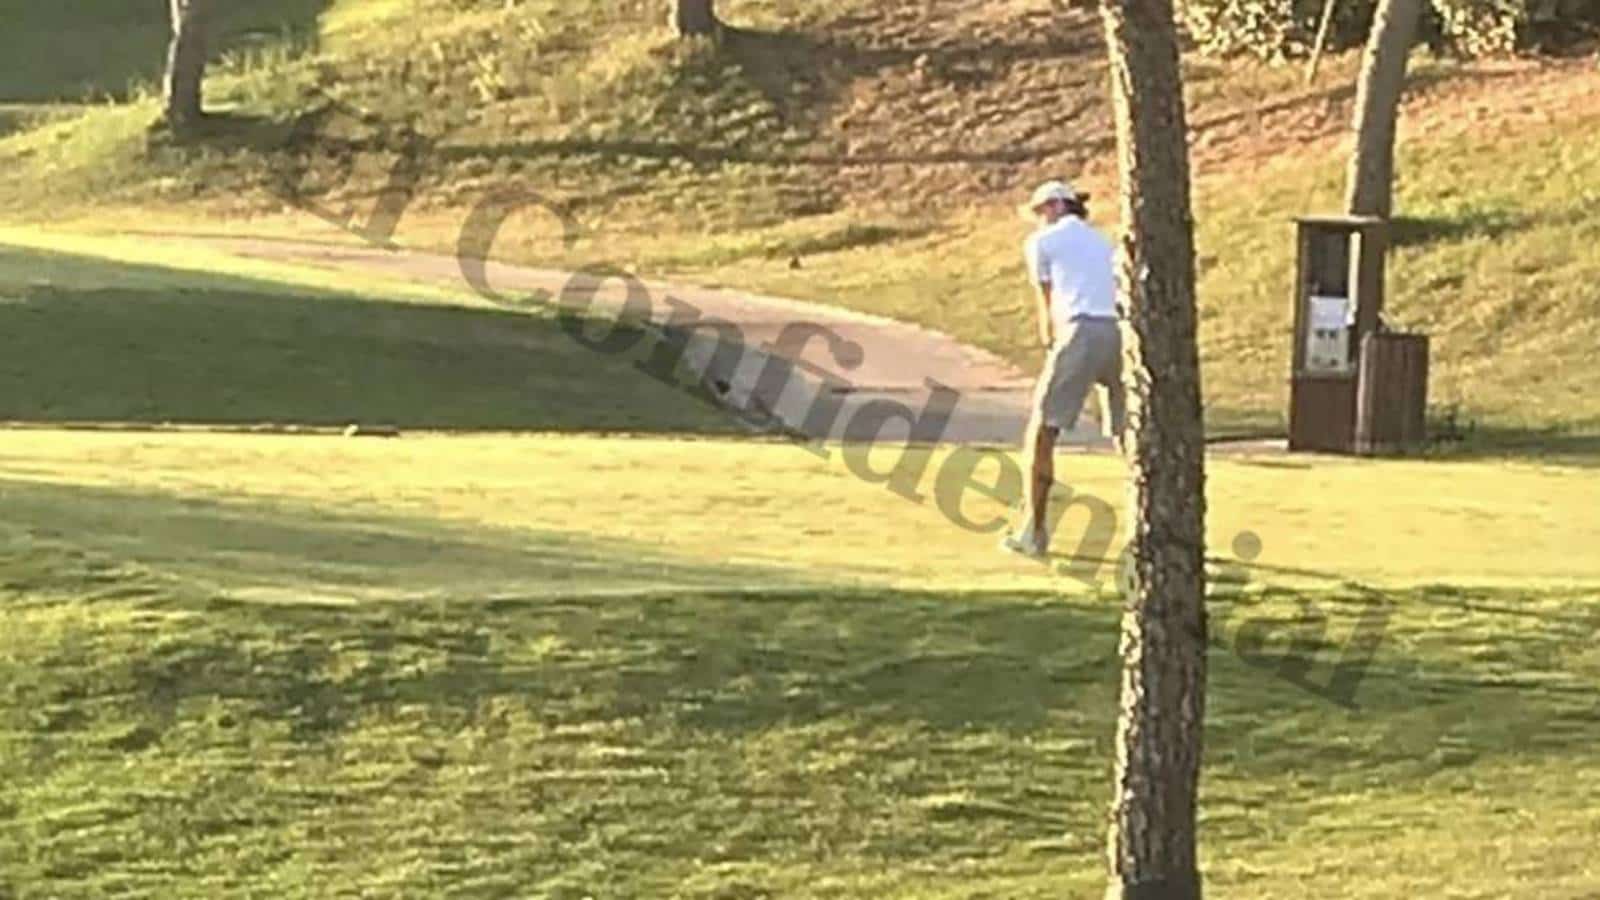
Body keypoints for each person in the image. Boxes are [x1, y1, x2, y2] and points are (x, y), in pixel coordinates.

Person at [1001, 179, 1126, 559]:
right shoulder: (1105, 241)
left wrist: (1051, 341)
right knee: (1129, 433)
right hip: (1120, 332)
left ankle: (1034, 532)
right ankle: (1155, 529)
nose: (1039, 219)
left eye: (1041, 211)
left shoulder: (1043, 242)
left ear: (1055, 207)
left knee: (1043, 430)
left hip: (1080, 330)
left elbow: (1047, 301)